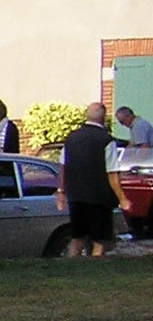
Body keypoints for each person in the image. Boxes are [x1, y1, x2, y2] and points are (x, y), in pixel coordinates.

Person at [55, 102, 119, 257]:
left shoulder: (71, 138)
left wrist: (61, 191)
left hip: (76, 196)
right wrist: (122, 198)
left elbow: (63, 167)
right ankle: (95, 265)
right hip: (99, 197)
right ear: (104, 117)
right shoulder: (106, 140)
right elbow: (112, 173)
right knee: (99, 239)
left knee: (77, 237)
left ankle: (72, 264)